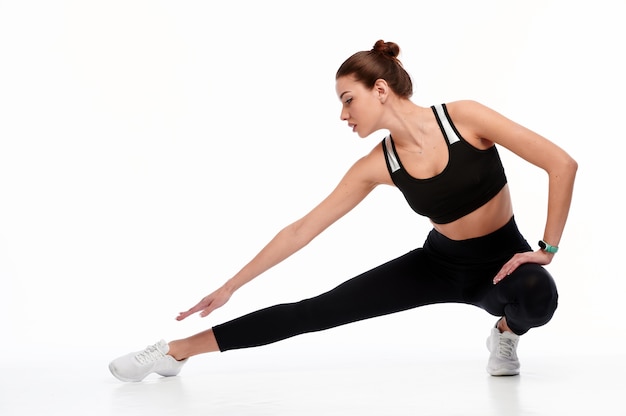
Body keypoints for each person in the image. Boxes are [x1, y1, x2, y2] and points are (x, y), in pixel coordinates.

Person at [109, 40, 577, 382]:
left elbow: (561, 163)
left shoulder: (464, 117)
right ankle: (174, 352)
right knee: (315, 311)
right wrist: (231, 286)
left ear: (380, 89)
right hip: (438, 265)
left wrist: (547, 248)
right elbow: (302, 230)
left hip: (503, 263)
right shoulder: (377, 165)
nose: (343, 115)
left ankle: (506, 334)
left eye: (347, 100)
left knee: (539, 294)